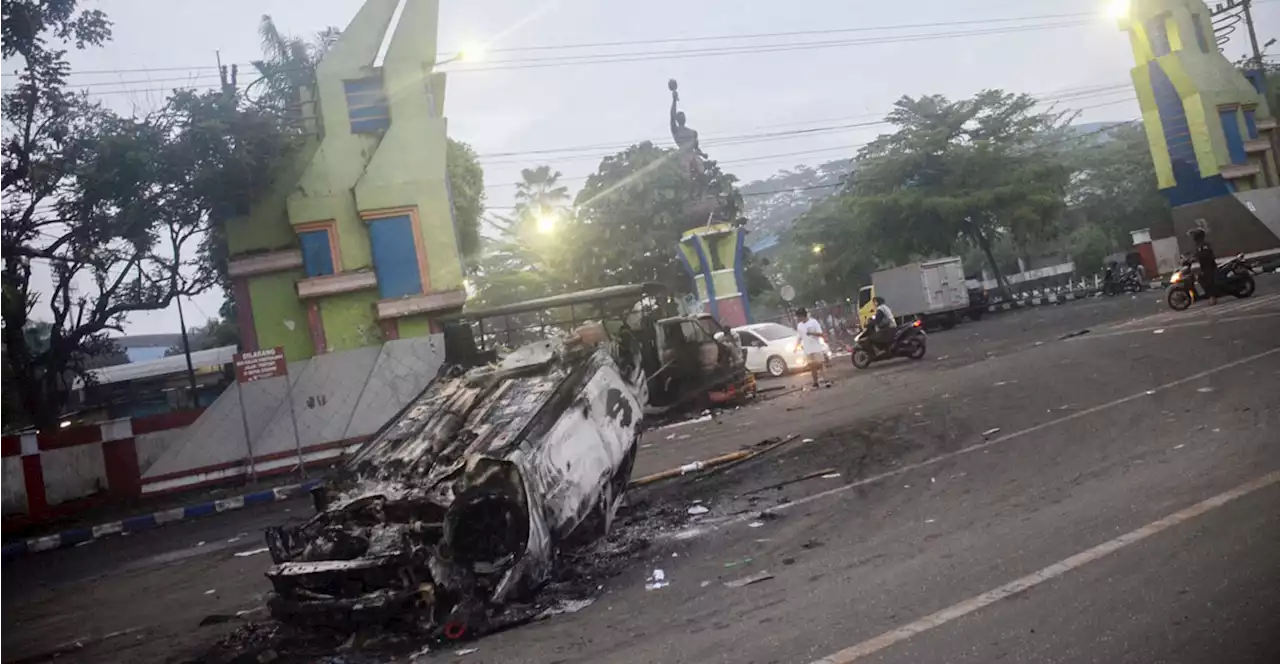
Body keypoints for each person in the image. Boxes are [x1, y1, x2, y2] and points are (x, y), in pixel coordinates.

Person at [795, 308, 830, 388]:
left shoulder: (813, 322)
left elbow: (820, 333)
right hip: (808, 349)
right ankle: (815, 382)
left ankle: (826, 380)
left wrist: (811, 333)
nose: (798, 319)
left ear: (803, 316)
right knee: (812, 366)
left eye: (799, 317)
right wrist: (796, 346)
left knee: (820, 364)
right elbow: (799, 337)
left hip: (816, 347)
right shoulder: (799, 326)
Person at [1190, 228, 1217, 306]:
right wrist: (1191, 257)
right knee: (1201, 278)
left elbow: (1205, 254)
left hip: (1209, 265)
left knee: (1207, 280)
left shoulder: (1204, 245)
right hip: (1204, 266)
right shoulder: (1199, 245)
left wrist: (1197, 257)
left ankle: (1212, 297)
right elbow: (1196, 254)